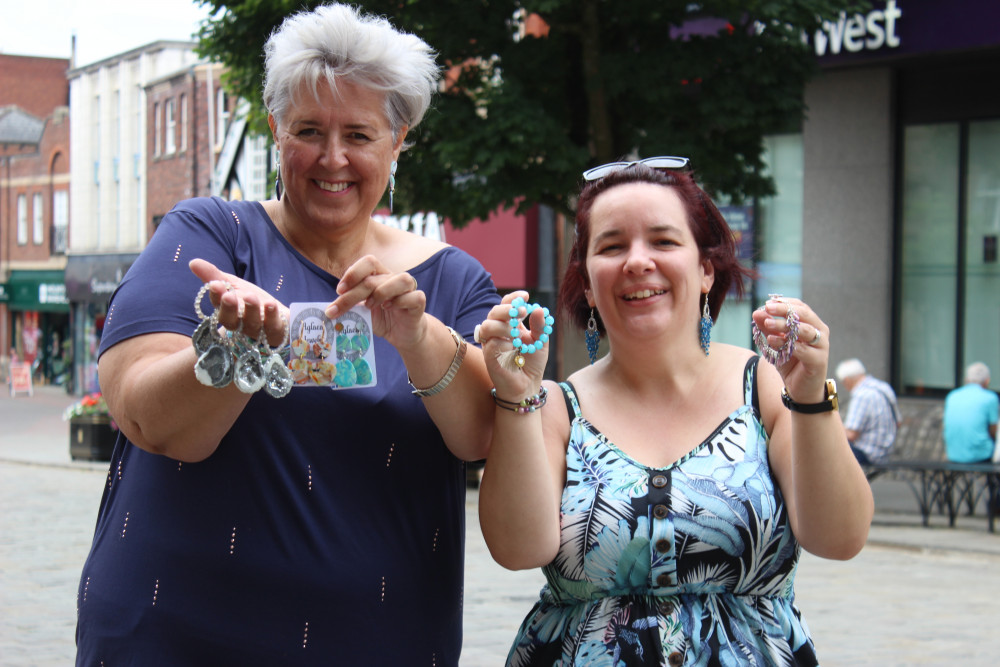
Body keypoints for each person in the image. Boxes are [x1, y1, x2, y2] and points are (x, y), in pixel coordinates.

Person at [75, 5, 498, 664]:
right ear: (273, 129)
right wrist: (232, 350)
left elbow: (480, 434)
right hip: (176, 637)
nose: (333, 158)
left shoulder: (452, 280)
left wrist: (417, 338)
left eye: (359, 134)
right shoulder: (209, 235)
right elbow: (144, 412)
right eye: (308, 130)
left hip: (381, 642)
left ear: (399, 138)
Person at [476, 158, 873, 665]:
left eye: (663, 242)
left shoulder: (768, 387)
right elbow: (517, 550)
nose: (637, 262)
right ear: (589, 282)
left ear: (706, 269)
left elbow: (840, 538)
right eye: (612, 246)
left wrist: (812, 395)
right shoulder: (553, 405)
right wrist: (514, 393)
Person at [835, 358, 900, 464]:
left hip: (867, 453)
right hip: (886, 453)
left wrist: (831, 430)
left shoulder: (861, 395)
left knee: (826, 449)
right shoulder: (884, 387)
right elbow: (898, 422)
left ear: (847, 380)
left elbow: (851, 434)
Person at [944, 362, 999, 463]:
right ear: (987, 381)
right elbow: (993, 431)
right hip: (981, 454)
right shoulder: (990, 398)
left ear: (966, 380)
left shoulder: (952, 396)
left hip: (953, 453)